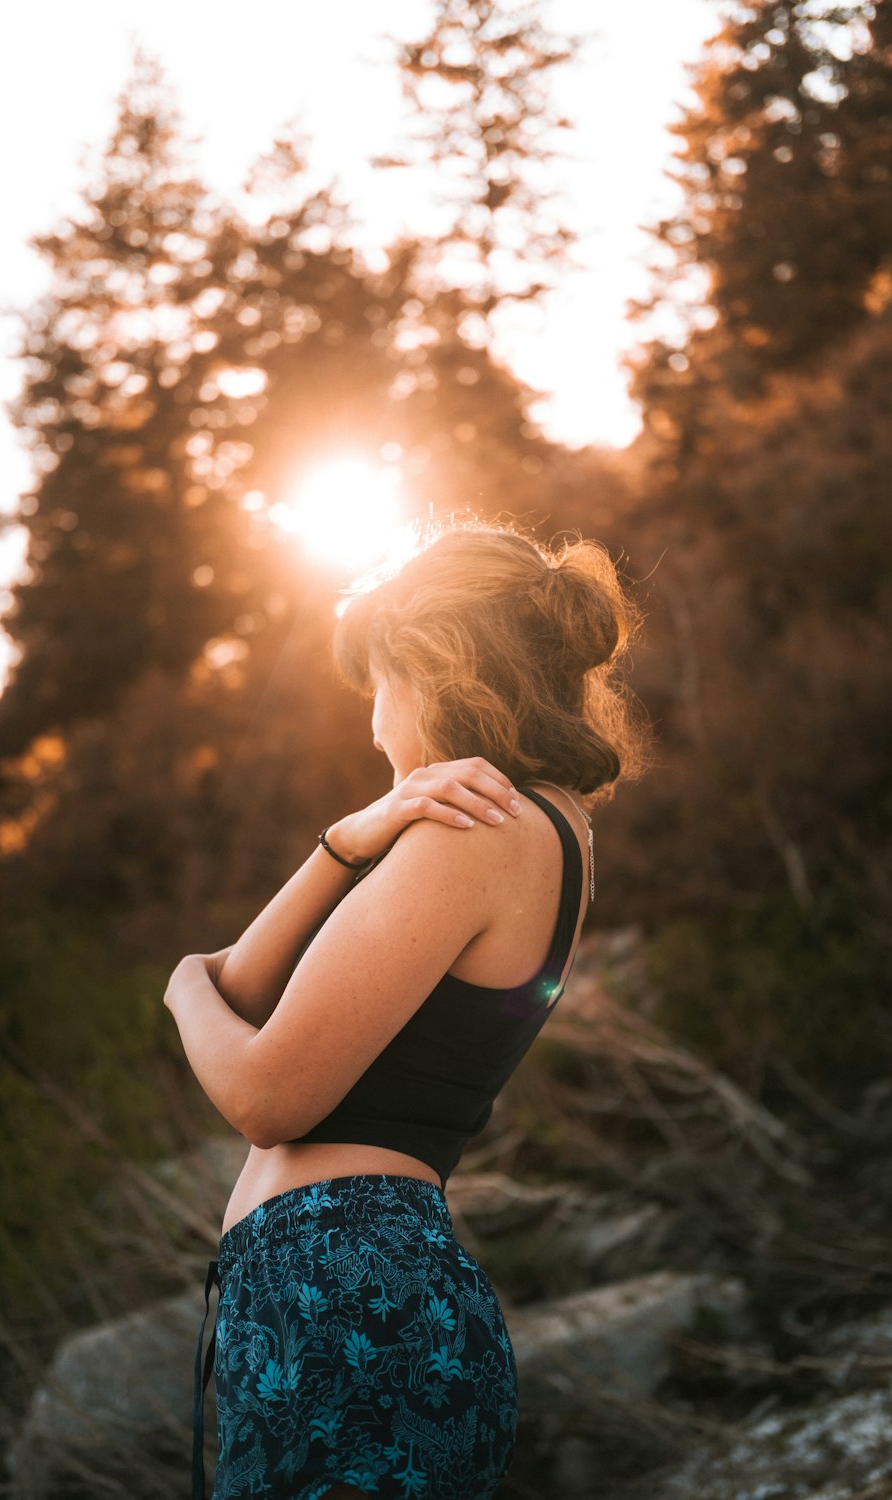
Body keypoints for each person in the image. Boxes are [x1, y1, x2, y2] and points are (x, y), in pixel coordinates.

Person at [164, 520, 651, 1500]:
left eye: (381, 683)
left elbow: (265, 1096)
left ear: (438, 674)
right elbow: (245, 987)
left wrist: (178, 987)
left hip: (353, 1306)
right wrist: (344, 841)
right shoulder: (511, 827)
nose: (374, 721)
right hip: (332, 1307)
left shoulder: (480, 833)